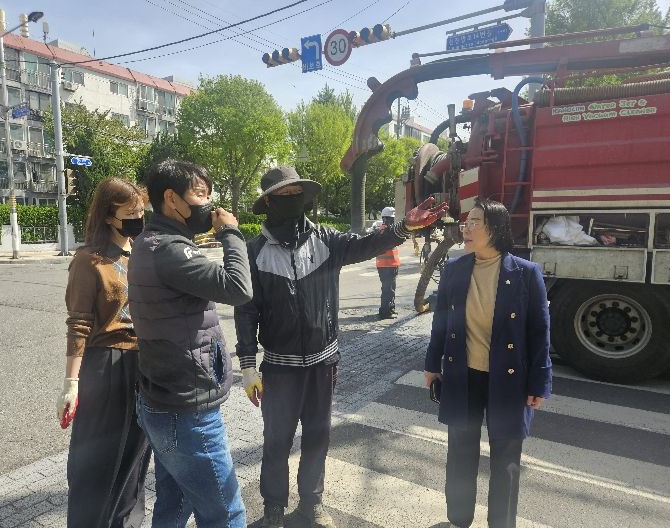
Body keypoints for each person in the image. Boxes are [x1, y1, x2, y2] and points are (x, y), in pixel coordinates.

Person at [235, 166, 448, 528]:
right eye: (283, 195)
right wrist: (246, 365)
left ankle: (311, 504)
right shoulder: (254, 252)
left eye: (297, 194)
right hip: (279, 369)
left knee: (318, 438)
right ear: (268, 202)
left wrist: (402, 227)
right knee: (276, 441)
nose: (292, 200)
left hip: (322, 365)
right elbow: (246, 311)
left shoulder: (326, 240)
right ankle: (273, 508)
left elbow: (366, 245)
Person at [127, 159, 252, 528]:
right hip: (187, 413)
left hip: (165, 402)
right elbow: (238, 288)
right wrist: (231, 232)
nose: (208, 203)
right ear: (172, 199)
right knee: (226, 513)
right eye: (200, 194)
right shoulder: (168, 248)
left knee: (174, 503)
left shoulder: (151, 242)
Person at [423, 198, 552, 528]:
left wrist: (539, 383)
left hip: (508, 379)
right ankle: (459, 519)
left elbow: (539, 332)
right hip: (463, 375)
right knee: (460, 452)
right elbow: (441, 322)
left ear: (494, 229)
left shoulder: (526, 274)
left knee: (506, 457)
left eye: (474, 222)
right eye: (465, 223)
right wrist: (432, 364)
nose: (466, 229)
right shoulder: (454, 269)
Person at [58, 177, 149, 528]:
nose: (138, 219)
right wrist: (71, 383)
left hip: (143, 363)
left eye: (141, 211)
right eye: (130, 213)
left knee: (135, 460)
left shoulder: (141, 252)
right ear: (109, 216)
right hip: (106, 364)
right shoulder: (89, 260)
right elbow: (79, 323)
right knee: (96, 463)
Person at [375, 206, 400, 319]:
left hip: (383, 265)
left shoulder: (380, 230)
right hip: (389, 265)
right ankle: (386, 312)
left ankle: (389, 309)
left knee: (388, 289)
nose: (393, 221)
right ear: (386, 219)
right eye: (392, 219)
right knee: (388, 289)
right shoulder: (389, 231)